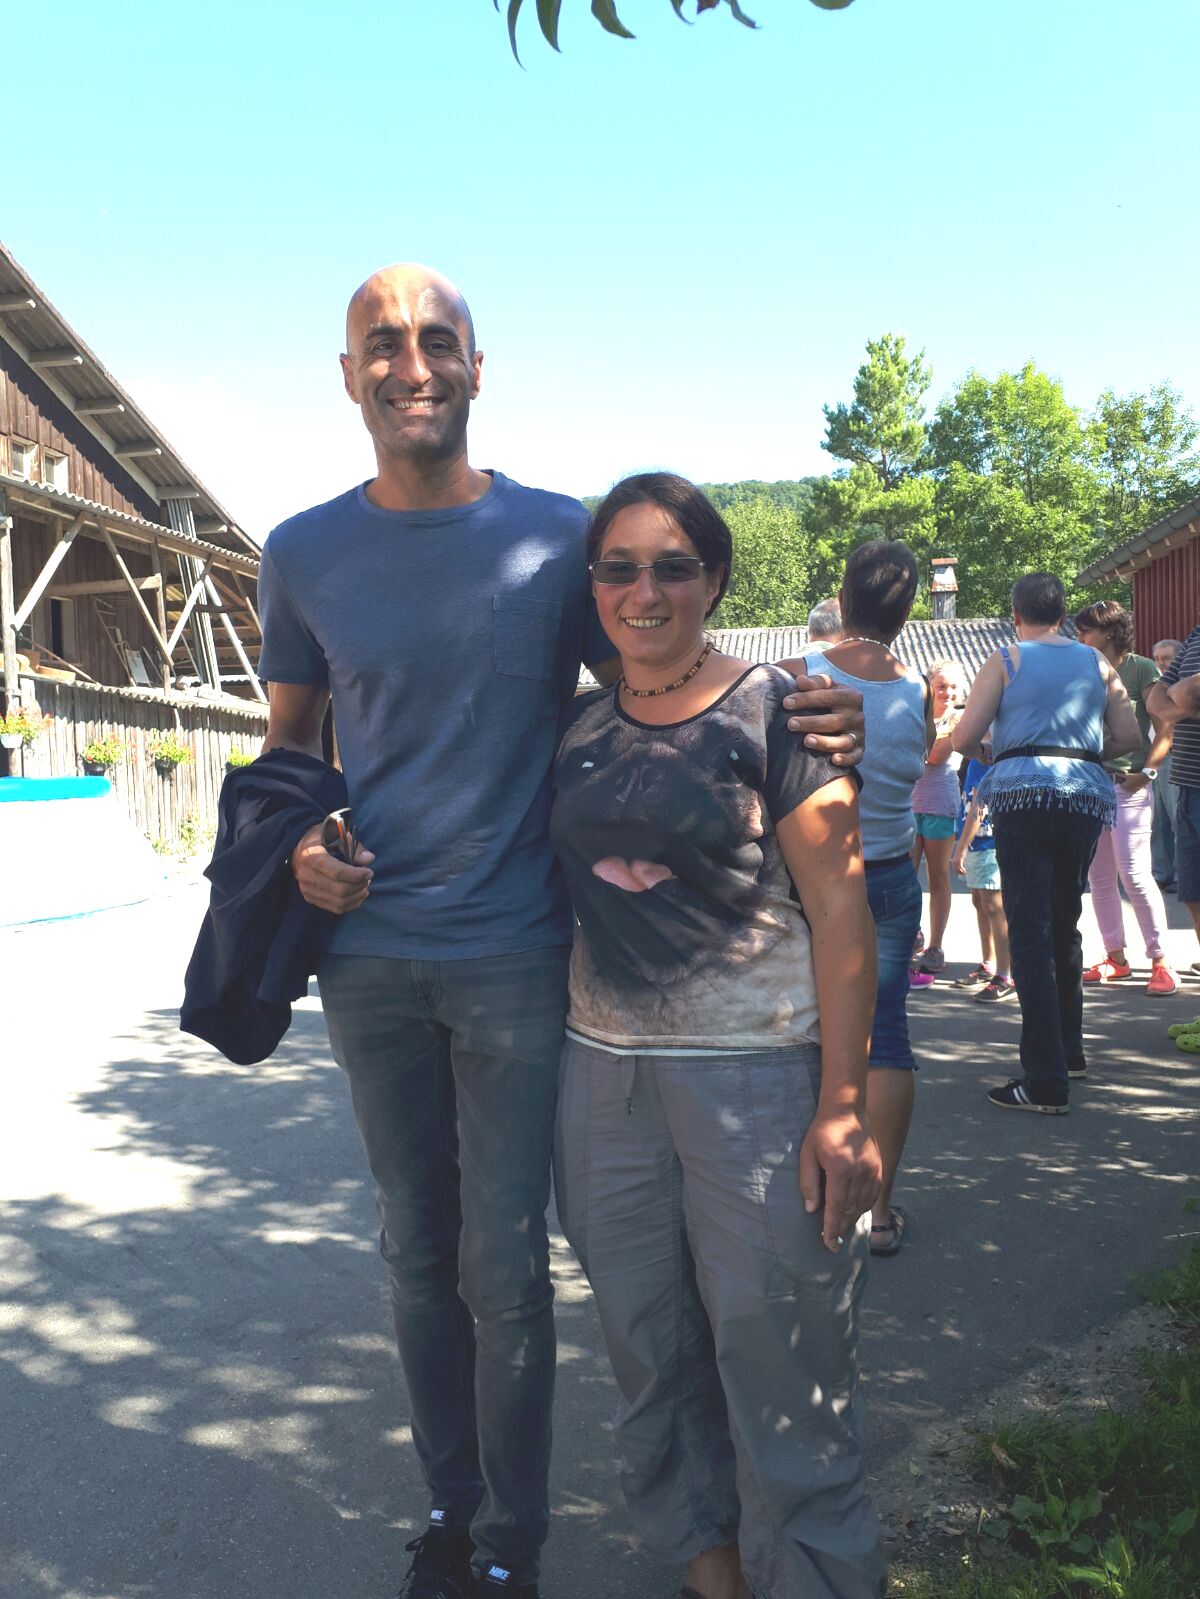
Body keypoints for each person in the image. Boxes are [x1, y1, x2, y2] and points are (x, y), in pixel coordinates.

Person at [256, 263, 867, 1599]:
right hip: (368, 960)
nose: (411, 363)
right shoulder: (299, 550)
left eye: (437, 340)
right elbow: (290, 749)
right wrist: (299, 847)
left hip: (524, 956)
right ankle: (451, 1504)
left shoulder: (551, 542)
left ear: (478, 368)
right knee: (416, 1251)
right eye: (382, 343)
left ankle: (507, 1548)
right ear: (348, 374)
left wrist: (815, 703)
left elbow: (659, 673)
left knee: (506, 1268)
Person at [552, 472, 887, 1599]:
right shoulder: (575, 723)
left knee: (784, 1366)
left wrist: (843, 1107)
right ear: (593, 584)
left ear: (716, 578)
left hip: (758, 1084)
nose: (643, 590)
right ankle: (715, 1583)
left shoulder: (779, 712)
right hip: (602, 1083)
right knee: (653, 1363)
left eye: (672, 566)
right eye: (618, 568)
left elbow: (843, 913)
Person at [952, 574, 1139, 1112]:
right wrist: (1081, 753)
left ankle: (1044, 1080)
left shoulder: (1005, 659)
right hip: (1082, 797)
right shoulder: (1097, 663)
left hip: (1021, 799)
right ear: (1062, 614)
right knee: (1064, 924)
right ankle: (1070, 1053)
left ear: (1016, 614)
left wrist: (999, 753)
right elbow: (1129, 737)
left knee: (1029, 932)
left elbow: (964, 737)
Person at [794, 541, 930, 1260]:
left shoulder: (801, 672)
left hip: (816, 879)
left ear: (843, 598)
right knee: (888, 1036)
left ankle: (808, 1190)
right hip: (892, 876)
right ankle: (878, 1213)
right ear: (907, 612)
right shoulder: (918, 689)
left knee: (807, 1026)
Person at [1072, 602, 1177, 996]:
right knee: (1099, 877)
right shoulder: (1082, 669)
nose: (1080, 638)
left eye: (1086, 630)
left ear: (1110, 632)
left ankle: (1161, 962)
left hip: (1128, 786)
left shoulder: (1141, 669)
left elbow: (1165, 729)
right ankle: (1115, 958)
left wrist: (1146, 773)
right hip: (1090, 786)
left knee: (1134, 874)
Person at [909, 660, 966, 984]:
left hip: (940, 803)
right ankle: (910, 935)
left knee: (938, 876)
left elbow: (935, 755)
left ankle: (935, 945)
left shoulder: (960, 719)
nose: (948, 692)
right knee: (905, 875)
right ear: (929, 686)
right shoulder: (916, 713)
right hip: (909, 802)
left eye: (953, 687)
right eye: (942, 686)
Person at [1147, 623, 1200, 965]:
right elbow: (1156, 700)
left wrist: (1180, 693)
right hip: (1187, 784)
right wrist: (1187, 701)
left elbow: (1185, 691)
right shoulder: (1195, 635)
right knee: (1193, 891)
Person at [949, 754, 1014, 1001]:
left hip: (988, 842)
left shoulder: (986, 757)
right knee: (979, 901)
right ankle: (989, 962)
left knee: (994, 906)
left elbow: (980, 805)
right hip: (977, 843)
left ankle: (1005, 974)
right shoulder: (976, 759)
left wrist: (961, 847)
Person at [1151, 638, 1183, 888]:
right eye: (1157, 659)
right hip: (1153, 759)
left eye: (1166, 658)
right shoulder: (1154, 685)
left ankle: (1184, 876)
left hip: (1175, 756)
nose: (1161, 663)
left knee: (1177, 818)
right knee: (1157, 820)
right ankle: (1162, 874)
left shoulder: (1182, 687)